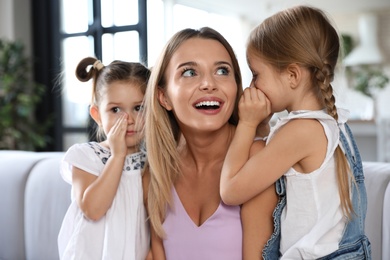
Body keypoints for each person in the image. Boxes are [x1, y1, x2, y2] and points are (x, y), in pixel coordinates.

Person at [220, 5, 372, 259]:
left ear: (292, 75)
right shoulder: (332, 124)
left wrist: (246, 124)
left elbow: (231, 190)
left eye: (256, 74)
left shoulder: (299, 132)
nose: (252, 85)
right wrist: (261, 127)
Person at [142, 26, 284, 260]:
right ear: (164, 97)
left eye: (222, 70)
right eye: (189, 72)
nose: (209, 83)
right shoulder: (156, 172)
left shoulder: (255, 159)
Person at [57, 57, 151, 259]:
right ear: (97, 115)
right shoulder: (86, 156)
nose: (129, 119)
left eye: (139, 108)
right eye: (116, 110)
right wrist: (118, 156)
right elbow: (92, 209)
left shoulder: (150, 163)